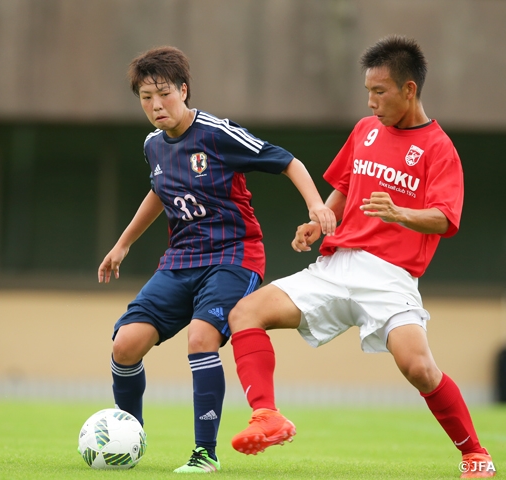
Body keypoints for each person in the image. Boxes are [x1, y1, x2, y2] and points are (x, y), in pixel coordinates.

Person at [227, 35, 495, 478]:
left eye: (380, 91)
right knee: (246, 313)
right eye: (367, 91)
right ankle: (266, 416)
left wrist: (400, 213)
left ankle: (475, 454)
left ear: (409, 90)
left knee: (420, 369)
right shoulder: (364, 130)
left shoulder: (438, 148)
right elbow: (347, 185)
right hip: (336, 265)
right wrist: (321, 220)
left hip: (390, 277)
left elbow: (446, 219)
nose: (370, 102)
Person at [97, 46, 335, 473]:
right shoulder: (153, 145)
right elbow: (159, 191)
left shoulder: (217, 133)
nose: (155, 105)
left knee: (201, 339)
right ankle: (127, 435)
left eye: (164, 94)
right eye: (145, 98)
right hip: (180, 260)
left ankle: (204, 454)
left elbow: (288, 161)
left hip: (234, 255)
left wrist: (317, 205)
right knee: (124, 344)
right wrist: (123, 244)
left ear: (184, 90)